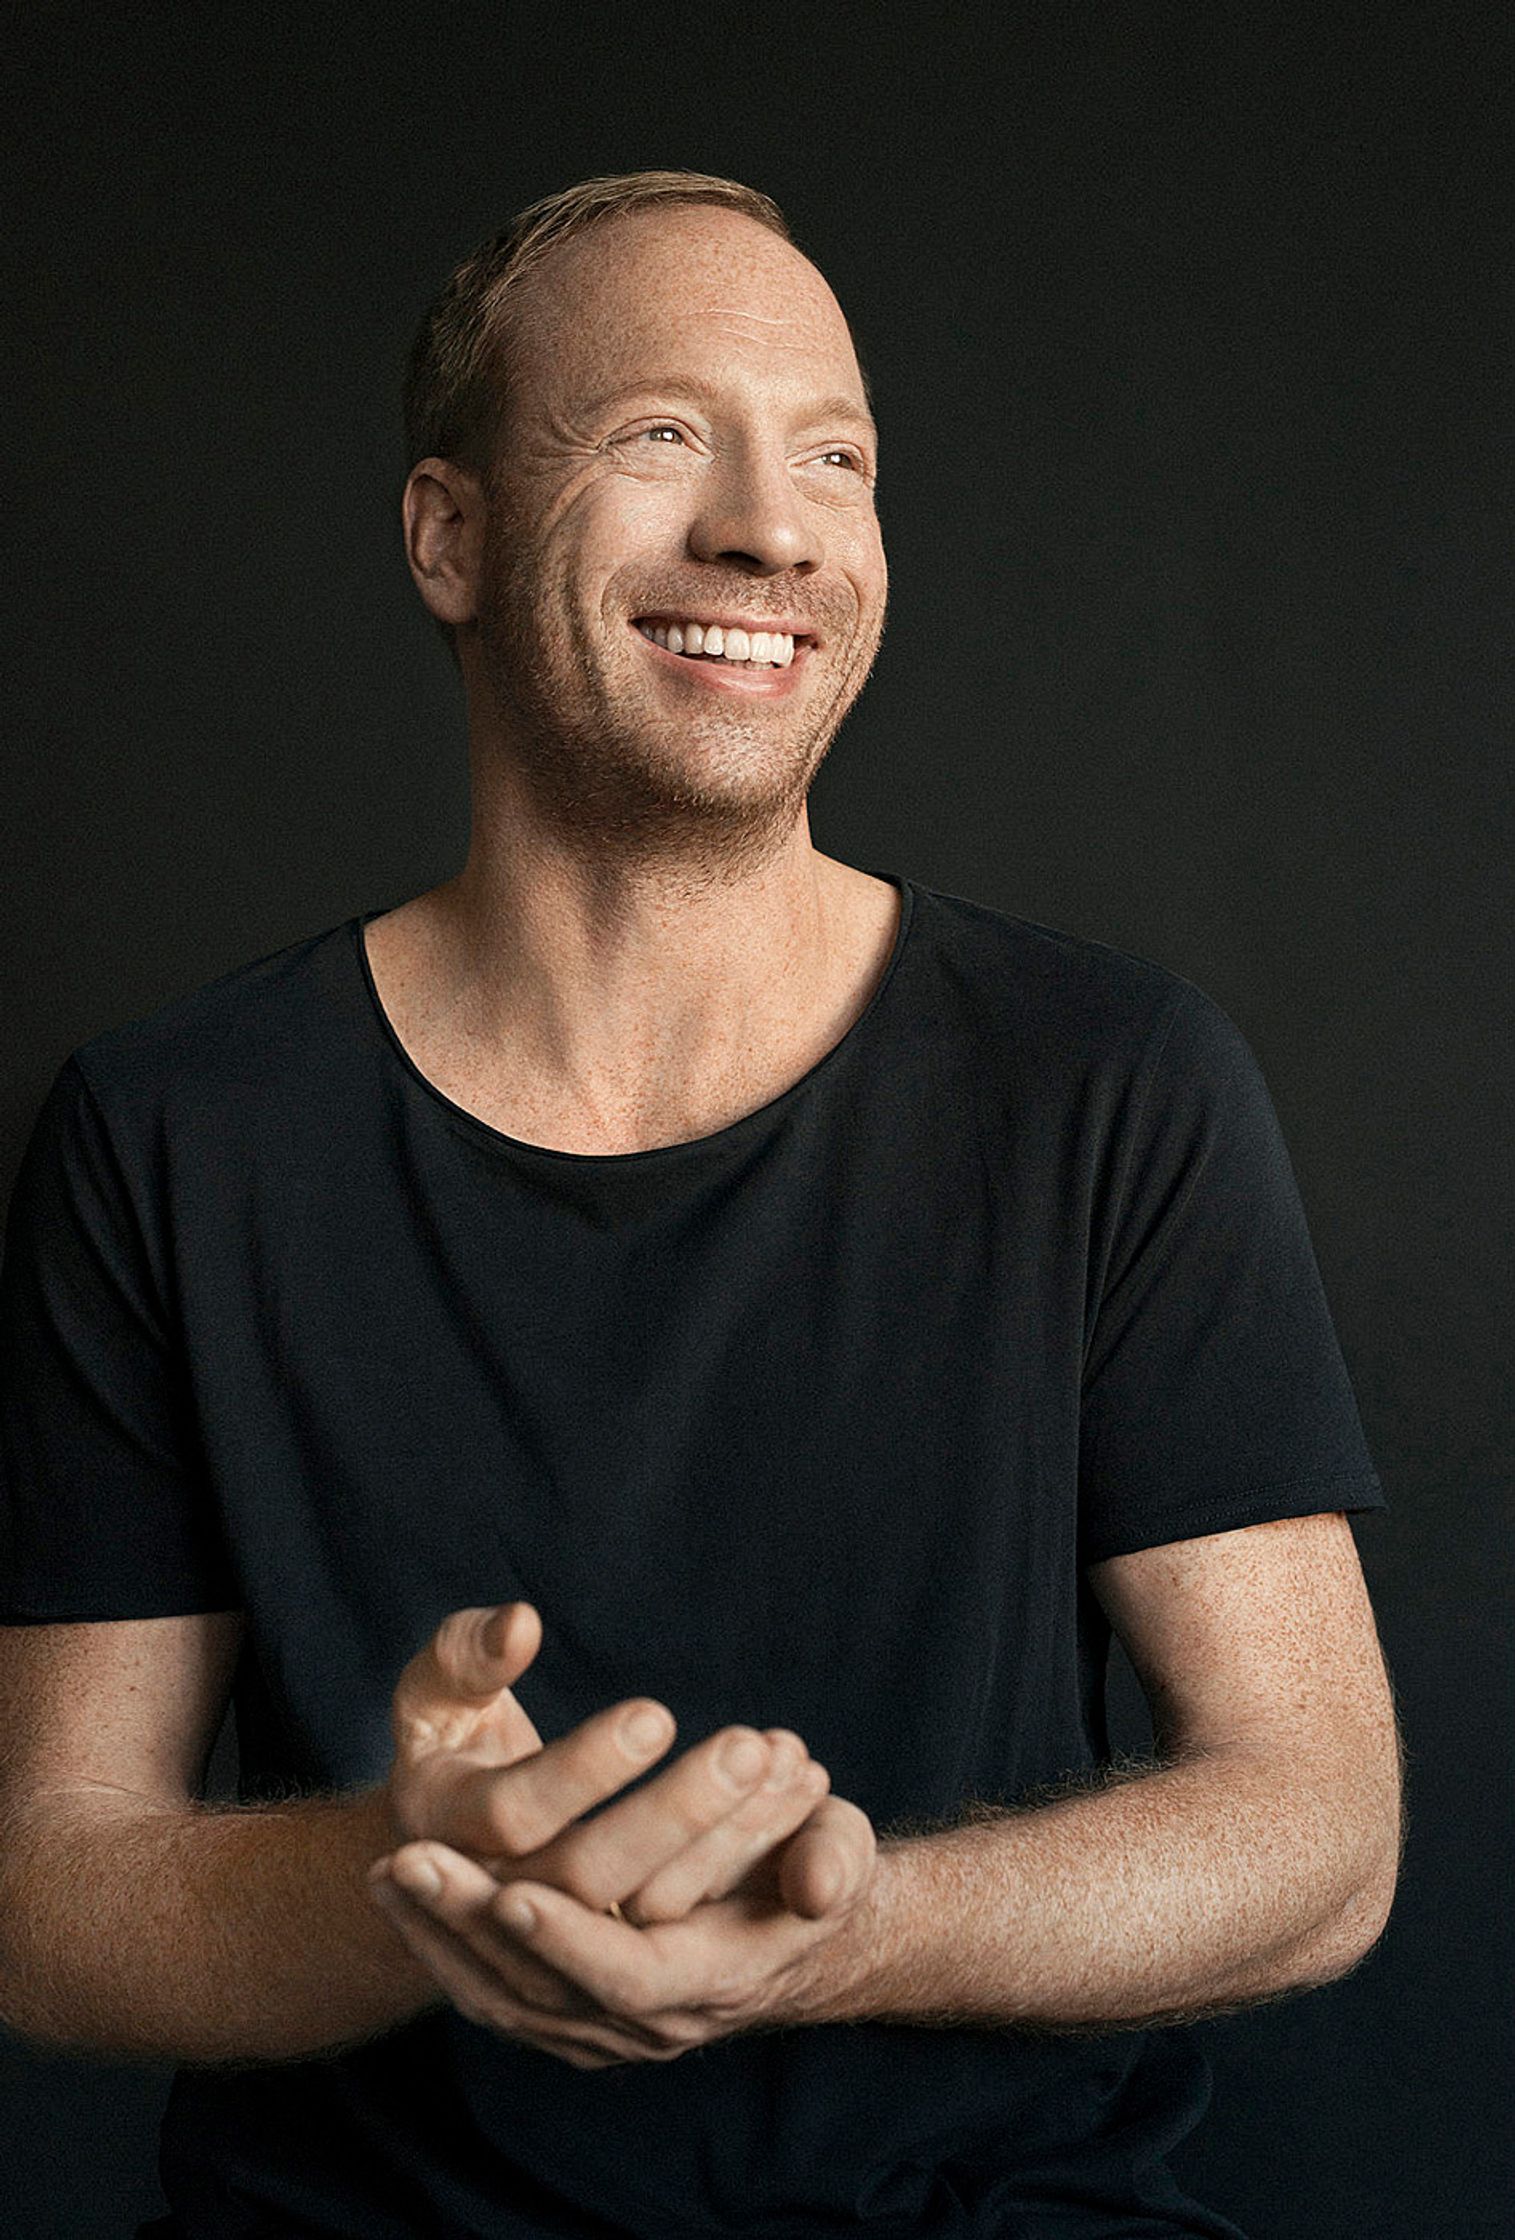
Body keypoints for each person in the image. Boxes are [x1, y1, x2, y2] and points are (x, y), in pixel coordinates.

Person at [0, 168, 1403, 2240]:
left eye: (829, 455)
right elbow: (49, 1888)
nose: (770, 527)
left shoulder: (1105, 1079)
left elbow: (1318, 1826)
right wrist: (427, 1876)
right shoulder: (166, 1128)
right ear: (448, 535)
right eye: (663, 436)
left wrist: (842, 1931)